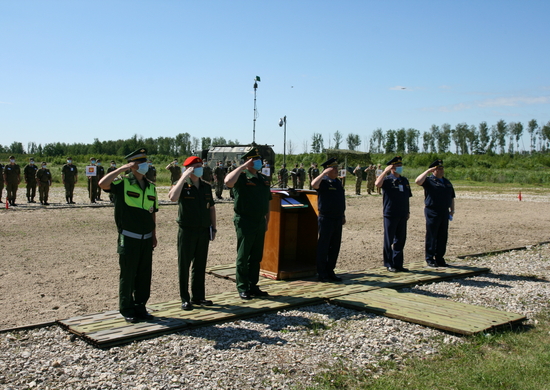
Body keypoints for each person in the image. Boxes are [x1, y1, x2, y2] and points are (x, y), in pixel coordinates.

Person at [99, 148, 158, 323]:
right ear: (132, 165)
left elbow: (152, 211)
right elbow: (102, 184)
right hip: (129, 236)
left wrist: (154, 234)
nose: (145, 165)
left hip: (146, 237)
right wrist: (121, 169)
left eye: (145, 162)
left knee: (144, 274)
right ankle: (127, 308)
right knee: (128, 273)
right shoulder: (123, 183)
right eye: (140, 163)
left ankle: (141, 307)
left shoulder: (151, 186)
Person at [168, 156, 217, 311]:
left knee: (200, 264)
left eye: (201, 165)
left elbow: (211, 207)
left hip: (203, 230)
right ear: (189, 168)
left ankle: (198, 297)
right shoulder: (182, 185)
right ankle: (185, 298)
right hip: (187, 231)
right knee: (184, 265)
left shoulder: (206, 186)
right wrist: (183, 177)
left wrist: (213, 227)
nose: (200, 168)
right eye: (196, 166)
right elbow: (172, 197)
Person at [225, 148, 272, 300]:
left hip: (259, 221)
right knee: (243, 256)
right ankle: (242, 287)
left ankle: (253, 285)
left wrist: (267, 220)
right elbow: (227, 182)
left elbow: (268, 202)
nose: (259, 162)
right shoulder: (242, 177)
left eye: (259, 159)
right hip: (245, 220)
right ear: (249, 162)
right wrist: (242, 167)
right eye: (255, 160)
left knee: (256, 256)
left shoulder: (263, 179)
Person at [415, 159, 456, 267]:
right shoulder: (429, 180)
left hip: (444, 211)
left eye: (442, 168)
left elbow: (451, 197)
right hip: (432, 211)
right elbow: (418, 181)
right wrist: (427, 171)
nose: (442, 170)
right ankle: (429, 258)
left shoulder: (447, 182)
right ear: (434, 170)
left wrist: (452, 210)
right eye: (439, 168)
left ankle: (439, 258)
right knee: (432, 234)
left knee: (443, 235)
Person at [375, 156, 412, 273]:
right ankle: (388, 263)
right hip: (390, 213)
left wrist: (407, 211)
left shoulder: (404, 180)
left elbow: (407, 197)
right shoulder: (387, 180)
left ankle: (398, 263)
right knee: (389, 240)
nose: (400, 168)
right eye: (397, 166)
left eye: (400, 165)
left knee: (400, 239)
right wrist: (385, 171)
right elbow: (377, 184)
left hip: (402, 213)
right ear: (392, 168)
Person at [311, 158, 346, 282]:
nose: (337, 170)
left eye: (337, 168)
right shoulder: (323, 181)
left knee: (334, 246)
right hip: (326, 218)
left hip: (337, 218)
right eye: (334, 168)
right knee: (324, 246)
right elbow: (313, 185)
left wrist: (343, 215)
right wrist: (323, 173)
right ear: (328, 169)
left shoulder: (337, 182)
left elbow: (341, 199)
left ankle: (330, 271)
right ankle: (322, 273)